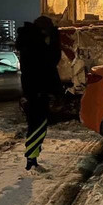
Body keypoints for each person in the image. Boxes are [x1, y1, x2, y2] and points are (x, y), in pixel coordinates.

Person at [16, 16, 62, 170]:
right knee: (38, 126)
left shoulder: (29, 41)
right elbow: (51, 61)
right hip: (38, 92)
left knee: (35, 125)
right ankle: (31, 159)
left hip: (32, 91)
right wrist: (55, 39)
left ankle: (32, 157)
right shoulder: (36, 44)